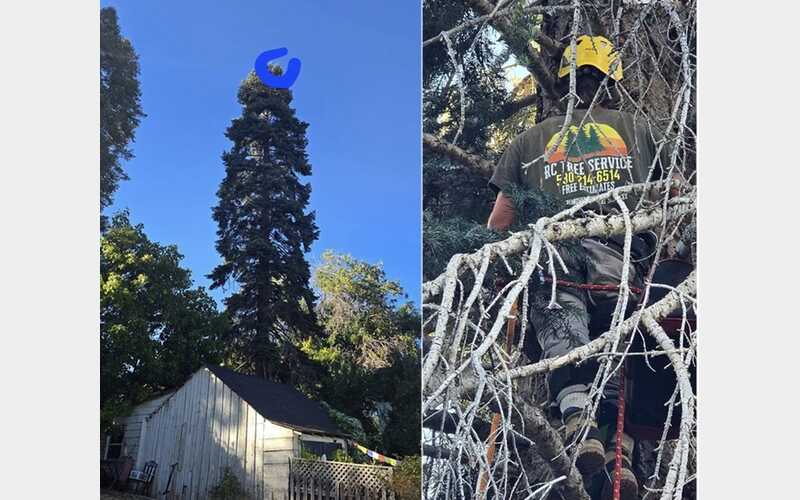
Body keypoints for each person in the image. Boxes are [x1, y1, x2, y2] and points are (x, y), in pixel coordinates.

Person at [487, 35, 670, 499]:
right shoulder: (639, 129)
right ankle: (620, 451)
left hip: (553, 253)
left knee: (565, 333)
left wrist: (500, 266)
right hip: (619, 251)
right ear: (613, 81)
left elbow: (501, 219)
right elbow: (672, 195)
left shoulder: (529, 140)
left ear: (563, 81)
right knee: (616, 341)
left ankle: (577, 420)